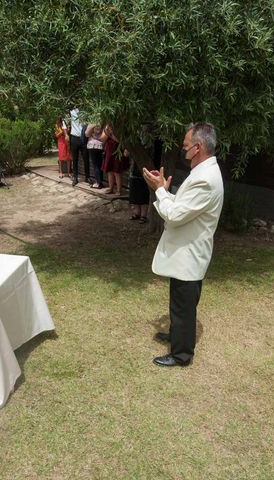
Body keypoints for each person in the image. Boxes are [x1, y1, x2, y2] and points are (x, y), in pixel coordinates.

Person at [142, 122, 224, 367]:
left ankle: (181, 355)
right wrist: (165, 192)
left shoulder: (206, 178)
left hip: (190, 253)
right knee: (180, 299)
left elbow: (176, 215)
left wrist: (159, 191)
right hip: (186, 251)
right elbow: (183, 207)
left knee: (184, 305)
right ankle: (178, 336)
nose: (183, 149)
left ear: (197, 147)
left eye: (186, 145)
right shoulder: (203, 172)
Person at [101, 123, 129, 196]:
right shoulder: (107, 126)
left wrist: (111, 134)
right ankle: (111, 188)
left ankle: (119, 190)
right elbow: (102, 139)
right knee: (109, 170)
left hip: (118, 150)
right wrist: (107, 132)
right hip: (109, 150)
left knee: (117, 171)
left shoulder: (121, 126)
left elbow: (120, 141)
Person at [68, 107, 91, 186]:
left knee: (86, 158)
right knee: (75, 159)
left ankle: (87, 177)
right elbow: (65, 120)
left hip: (83, 138)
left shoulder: (85, 110)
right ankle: (75, 177)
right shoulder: (70, 110)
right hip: (74, 137)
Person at [85, 123, 105, 188]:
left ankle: (97, 183)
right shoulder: (102, 121)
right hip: (100, 145)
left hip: (92, 145)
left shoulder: (92, 122)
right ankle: (100, 181)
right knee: (100, 164)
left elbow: (87, 134)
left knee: (95, 165)